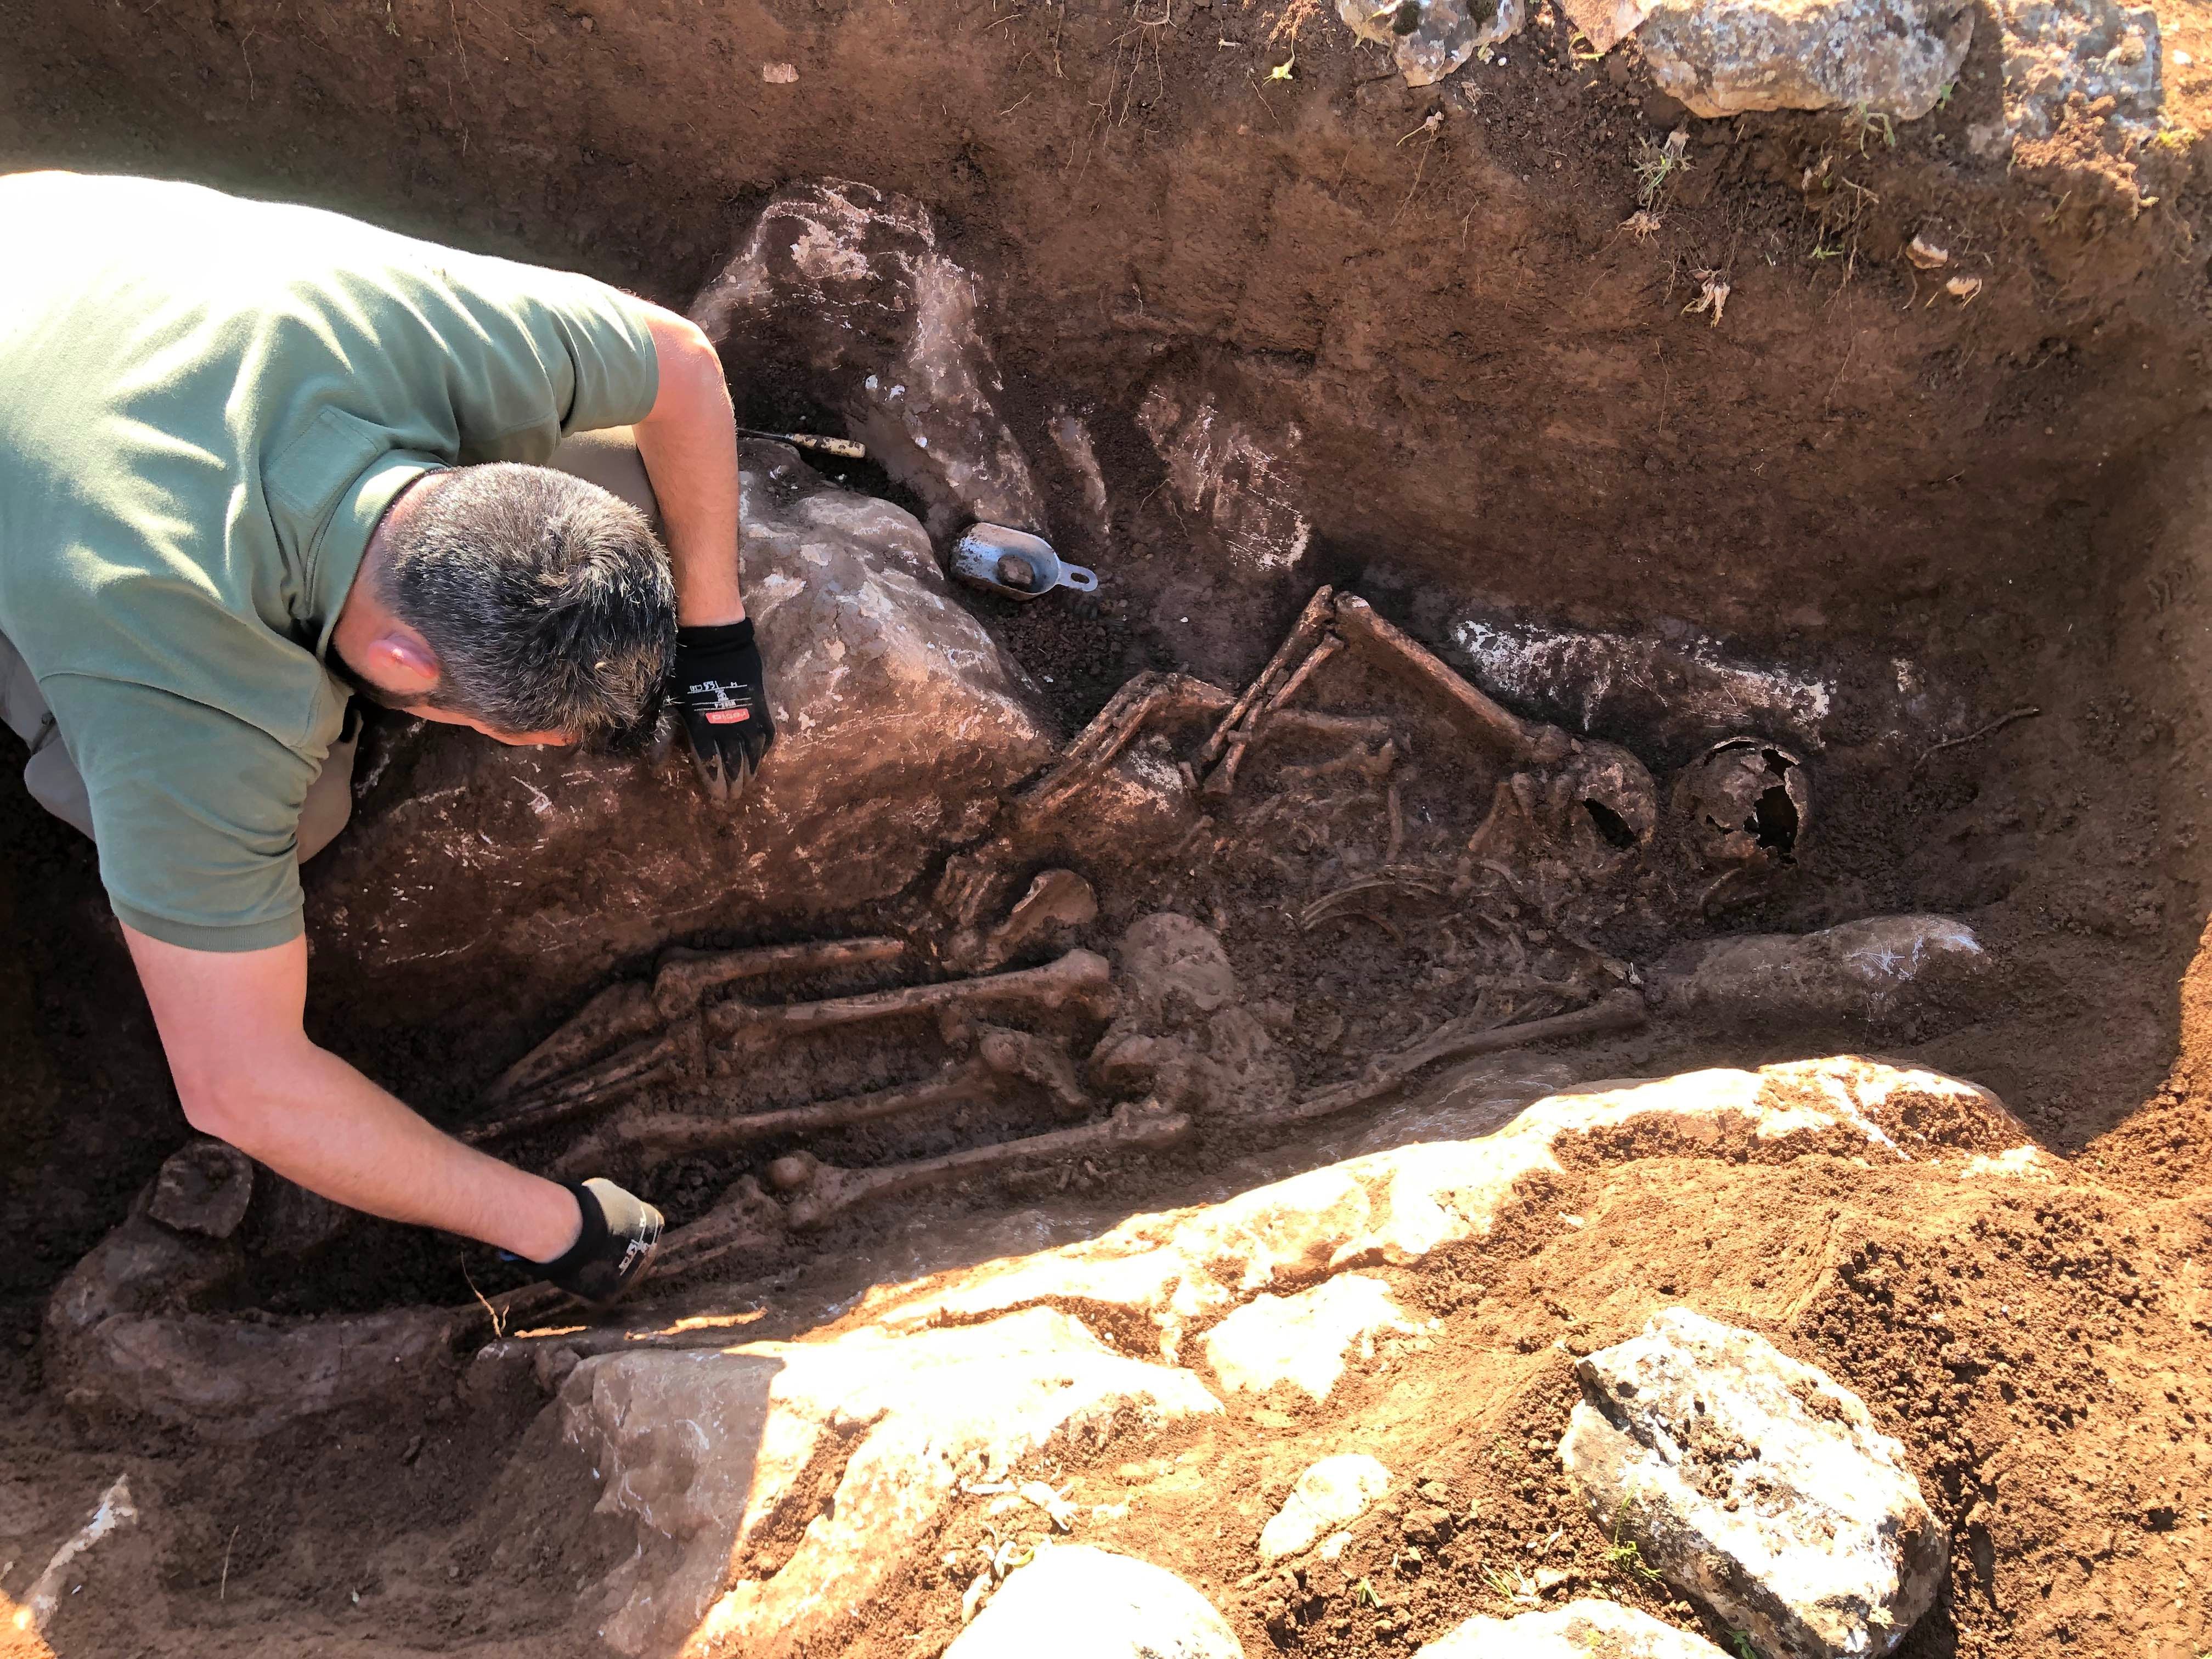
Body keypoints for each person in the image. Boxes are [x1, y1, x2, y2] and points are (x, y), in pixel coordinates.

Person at [0, 171, 776, 1305]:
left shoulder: (431, 336)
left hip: (51, 248)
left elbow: (681, 365)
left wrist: (715, 621)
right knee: (303, 813)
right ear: (407, 667)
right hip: (68, 479)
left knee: (637, 481)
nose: (549, 756)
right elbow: (239, 1086)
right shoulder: (199, 706)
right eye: (519, 734)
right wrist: (559, 1225)